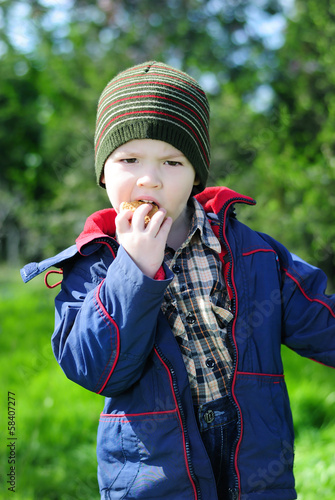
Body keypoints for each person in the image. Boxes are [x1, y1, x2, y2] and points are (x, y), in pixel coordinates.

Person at [21, 61, 335, 500]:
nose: (149, 178)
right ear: (104, 173)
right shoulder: (93, 264)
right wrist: (132, 270)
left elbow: (321, 318)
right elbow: (97, 370)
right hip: (157, 473)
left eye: (172, 161)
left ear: (195, 175)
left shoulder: (250, 250)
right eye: (129, 159)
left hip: (257, 462)